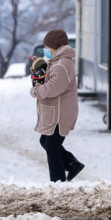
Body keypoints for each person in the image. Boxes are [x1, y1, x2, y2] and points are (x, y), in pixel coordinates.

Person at [30, 29, 84, 182]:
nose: (45, 51)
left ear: (56, 47)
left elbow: (53, 88)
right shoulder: (57, 62)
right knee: (46, 142)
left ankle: (58, 181)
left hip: (60, 114)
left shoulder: (61, 65)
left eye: (47, 48)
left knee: (52, 146)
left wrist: (36, 90)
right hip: (58, 112)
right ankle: (72, 163)